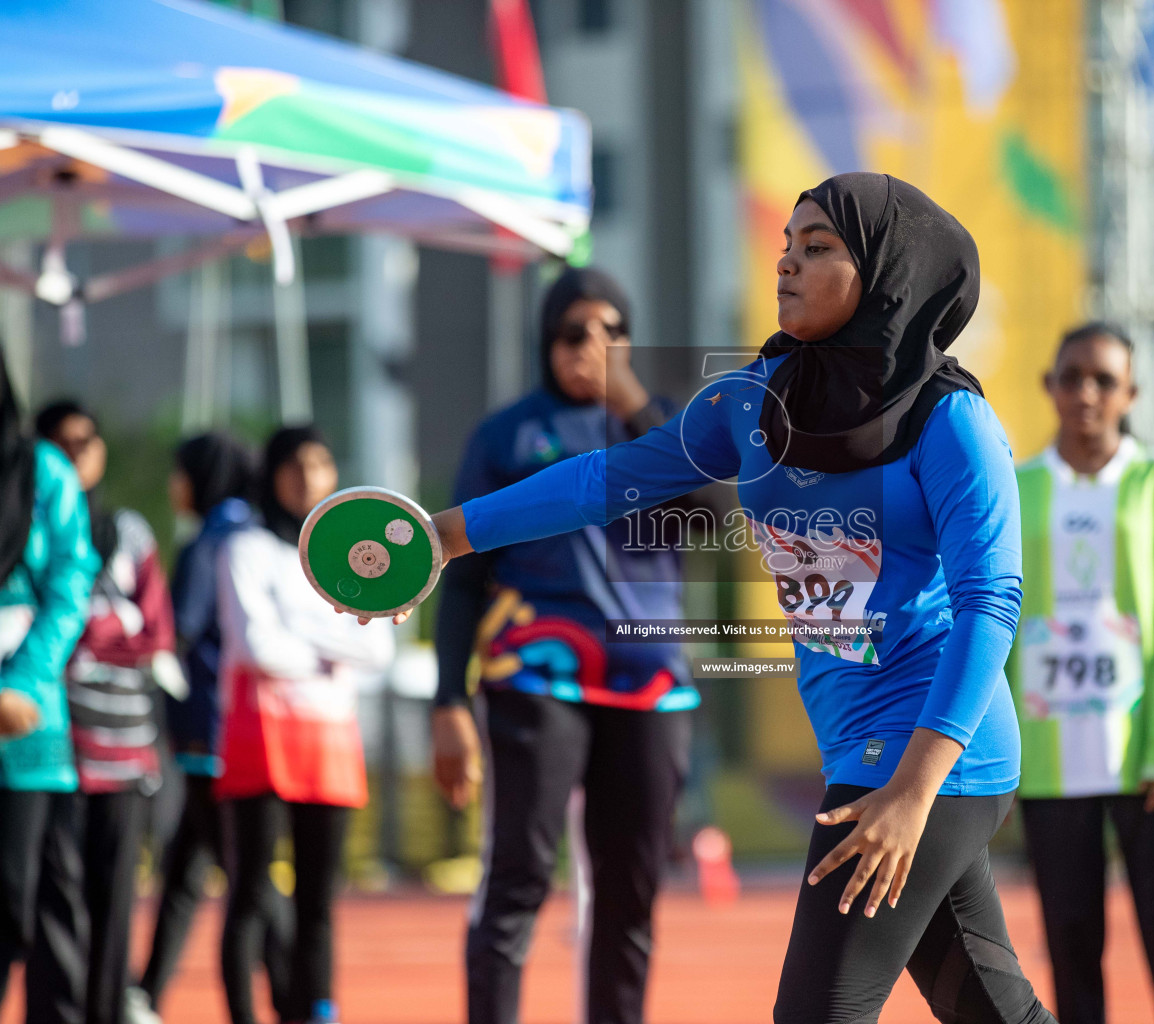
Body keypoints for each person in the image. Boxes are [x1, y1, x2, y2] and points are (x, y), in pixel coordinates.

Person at [360, 173, 1056, 1024]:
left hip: (932, 755)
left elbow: (992, 601)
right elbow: (605, 479)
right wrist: (444, 536)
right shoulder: (752, 400)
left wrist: (913, 791)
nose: (788, 265)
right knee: (993, 1010)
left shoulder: (951, 422)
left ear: (884, 272)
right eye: (786, 247)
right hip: (856, 744)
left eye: (820, 248)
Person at [432, 267, 699, 1024]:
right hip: (537, 677)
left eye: (613, 329)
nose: (595, 344)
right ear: (546, 341)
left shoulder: (666, 428)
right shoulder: (506, 434)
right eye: (575, 332)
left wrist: (636, 404)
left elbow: (713, 516)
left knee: (631, 891)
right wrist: (449, 700)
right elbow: (461, 582)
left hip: (653, 687)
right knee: (516, 879)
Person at [1004, 322, 1154, 1024]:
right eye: (1071, 377)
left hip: (1145, 758)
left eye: (1103, 380)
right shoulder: (1015, 486)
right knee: (1069, 949)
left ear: (1132, 393)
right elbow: (993, 620)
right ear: (1049, 386)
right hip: (1047, 758)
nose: (1085, 393)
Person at [217, 426, 395, 1024]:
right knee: (250, 890)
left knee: (319, 897)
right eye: (293, 465)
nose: (307, 477)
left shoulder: (354, 553)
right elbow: (254, 647)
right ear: (270, 474)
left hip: (329, 738)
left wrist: (304, 637)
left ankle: (312, 1010)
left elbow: (378, 651)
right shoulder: (243, 549)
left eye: (320, 463)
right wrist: (334, 639)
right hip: (260, 734)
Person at [132, 433, 292, 1024]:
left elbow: (182, 625)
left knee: (242, 872)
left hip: (210, 732)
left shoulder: (214, 540)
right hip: (232, 727)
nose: (175, 486)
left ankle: (292, 988)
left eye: (180, 473)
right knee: (188, 866)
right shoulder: (251, 528)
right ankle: (145, 994)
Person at [27, 400, 177, 1024]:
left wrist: (91, 633)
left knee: (114, 901)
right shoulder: (23, 523)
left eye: (88, 439)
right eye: (61, 442)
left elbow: (156, 633)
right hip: (48, 745)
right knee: (50, 902)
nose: (77, 452)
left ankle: (108, 1011)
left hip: (124, 747)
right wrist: (108, 627)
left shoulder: (128, 530)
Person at [0, 325, 98, 1024]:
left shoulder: (44, 471)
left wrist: (19, 686)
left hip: (27, 721)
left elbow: (70, 581)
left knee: (8, 903)